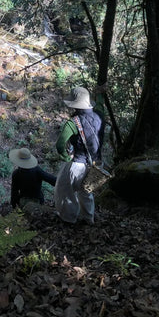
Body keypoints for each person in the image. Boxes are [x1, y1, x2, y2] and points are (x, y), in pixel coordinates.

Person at [54, 86, 105, 224]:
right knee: (86, 192)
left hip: (78, 164)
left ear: (74, 105)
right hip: (95, 164)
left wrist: (65, 157)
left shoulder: (73, 123)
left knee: (65, 190)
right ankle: (89, 219)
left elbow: (60, 145)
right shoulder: (100, 116)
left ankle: (69, 219)